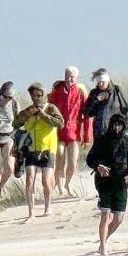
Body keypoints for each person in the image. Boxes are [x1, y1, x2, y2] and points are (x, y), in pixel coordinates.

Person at [85, 113, 128, 256]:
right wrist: (98, 166)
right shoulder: (101, 140)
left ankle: (104, 239)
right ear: (110, 124)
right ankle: (103, 246)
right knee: (105, 214)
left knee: (118, 218)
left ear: (123, 126)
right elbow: (89, 159)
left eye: (119, 125)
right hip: (104, 181)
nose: (116, 127)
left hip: (121, 182)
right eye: (114, 124)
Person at [13, 82, 65, 221]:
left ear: (43, 94)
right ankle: (31, 212)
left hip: (48, 149)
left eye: (38, 95)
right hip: (31, 149)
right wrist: (25, 115)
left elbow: (60, 123)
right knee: (29, 180)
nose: (35, 98)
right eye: (33, 95)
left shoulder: (51, 108)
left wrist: (43, 115)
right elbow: (16, 123)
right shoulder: (28, 110)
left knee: (46, 181)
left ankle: (48, 207)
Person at [49, 66, 93, 198]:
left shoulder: (81, 92)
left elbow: (87, 116)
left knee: (73, 162)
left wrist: (87, 137)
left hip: (74, 133)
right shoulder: (57, 90)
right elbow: (48, 109)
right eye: (67, 75)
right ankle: (60, 187)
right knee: (60, 157)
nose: (69, 78)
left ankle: (67, 184)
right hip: (59, 132)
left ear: (76, 78)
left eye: (72, 76)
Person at [83, 68, 128, 139]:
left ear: (107, 80)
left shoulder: (117, 90)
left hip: (116, 131)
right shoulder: (94, 93)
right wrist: (96, 100)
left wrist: (127, 130)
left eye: (102, 82)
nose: (100, 84)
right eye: (99, 82)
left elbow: (127, 110)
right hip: (99, 133)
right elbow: (87, 113)